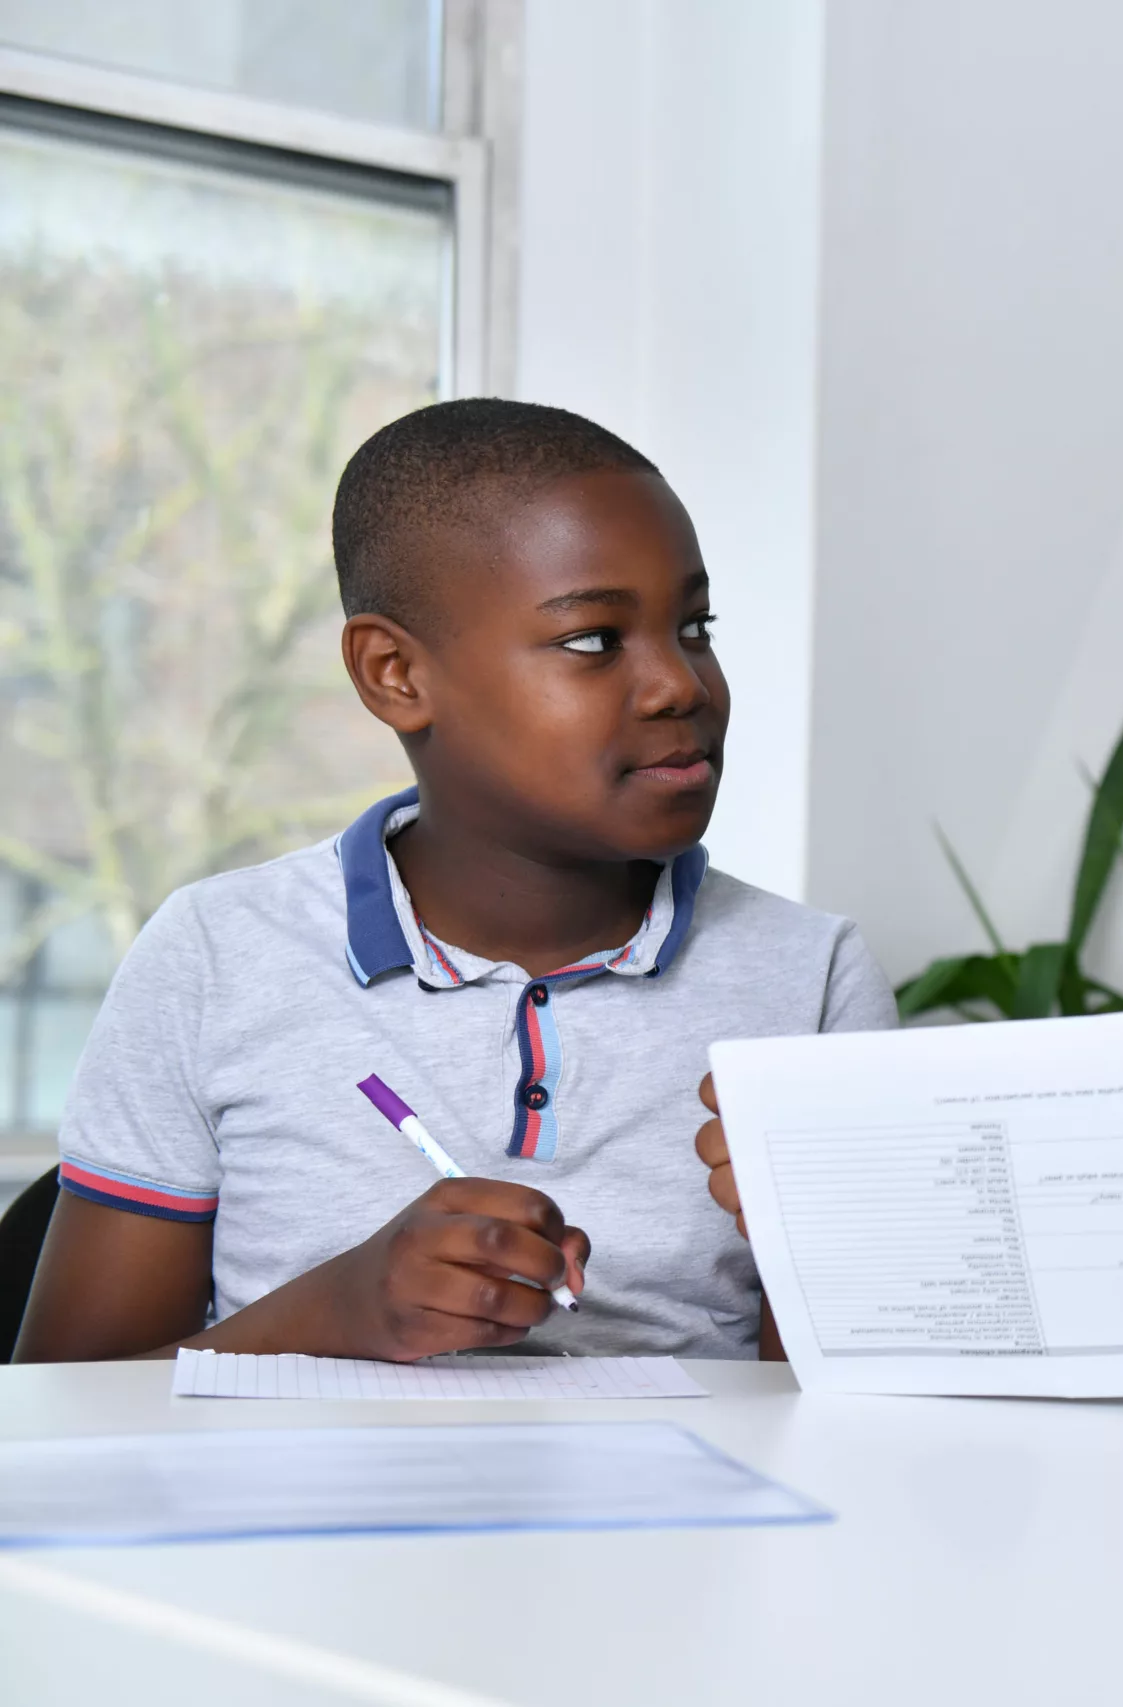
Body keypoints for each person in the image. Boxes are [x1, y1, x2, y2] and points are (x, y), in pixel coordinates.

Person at [12, 400, 895, 1365]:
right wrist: (332, 1312)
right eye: (595, 639)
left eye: (695, 625)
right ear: (394, 673)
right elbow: (63, 1405)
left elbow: (853, 1428)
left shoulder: (811, 978)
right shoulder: (217, 956)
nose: (679, 683)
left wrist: (826, 1252)